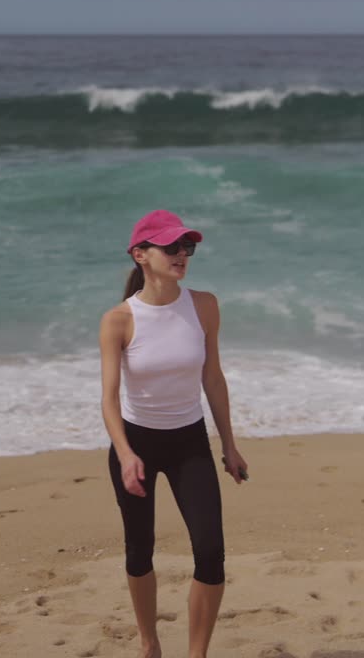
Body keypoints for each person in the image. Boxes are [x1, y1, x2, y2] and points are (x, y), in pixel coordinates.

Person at [98, 208, 248, 658]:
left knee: (210, 553)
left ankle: (196, 654)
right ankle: (149, 644)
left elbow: (214, 379)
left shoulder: (204, 305)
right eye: (172, 247)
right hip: (136, 443)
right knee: (139, 550)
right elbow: (109, 398)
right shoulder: (119, 320)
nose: (182, 254)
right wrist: (125, 454)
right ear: (141, 254)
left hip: (190, 443)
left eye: (188, 246)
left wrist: (229, 445)